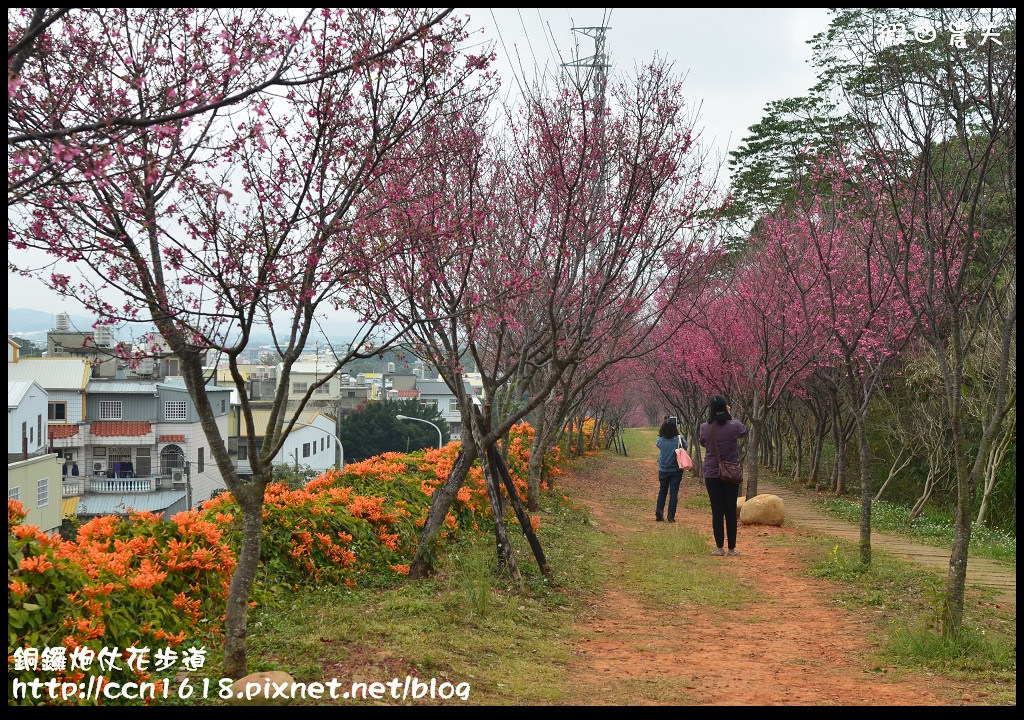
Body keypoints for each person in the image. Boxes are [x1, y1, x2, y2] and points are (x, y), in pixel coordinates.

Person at [699, 395, 748, 556]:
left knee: (717, 511)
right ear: (726, 407)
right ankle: (732, 548)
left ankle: (719, 548)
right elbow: (744, 431)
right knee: (730, 511)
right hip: (730, 473)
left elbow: (703, 442)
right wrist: (730, 415)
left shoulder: (705, 427)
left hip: (712, 474)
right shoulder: (734, 425)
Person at [655, 417, 687, 522]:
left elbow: (658, 445)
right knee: (674, 492)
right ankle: (671, 516)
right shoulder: (679, 438)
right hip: (676, 469)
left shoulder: (660, 439)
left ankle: (659, 514)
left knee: (662, 491)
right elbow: (685, 447)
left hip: (663, 468)